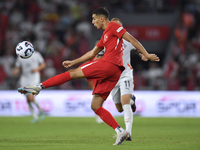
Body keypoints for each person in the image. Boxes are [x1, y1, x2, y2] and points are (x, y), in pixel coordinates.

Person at [17, 7, 159, 145]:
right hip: (115, 73)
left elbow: (132, 38)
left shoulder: (113, 26)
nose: (92, 22)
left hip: (108, 65)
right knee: (96, 106)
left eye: (94, 19)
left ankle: (38, 87)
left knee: (71, 74)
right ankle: (120, 131)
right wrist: (74, 61)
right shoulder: (105, 36)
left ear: (101, 19)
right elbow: (91, 53)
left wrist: (146, 54)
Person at [95, 18, 148, 141]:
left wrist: (143, 54)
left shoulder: (127, 40)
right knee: (119, 108)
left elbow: (136, 47)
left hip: (125, 75)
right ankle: (132, 101)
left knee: (125, 103)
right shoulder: (106, 41)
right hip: (112, 78)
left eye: (119, 27)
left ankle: (128, 132)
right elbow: (97, 55)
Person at [13, 50, 46, 123]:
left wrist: (37, 69)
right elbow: (18, 67)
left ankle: (40, 111)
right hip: (24, 79)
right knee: (28, 100)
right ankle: (36, 116)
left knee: (31, 98)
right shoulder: (20, 56)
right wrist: (16, 71)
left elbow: (43, 64)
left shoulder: (36, 54)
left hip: (34, 78)